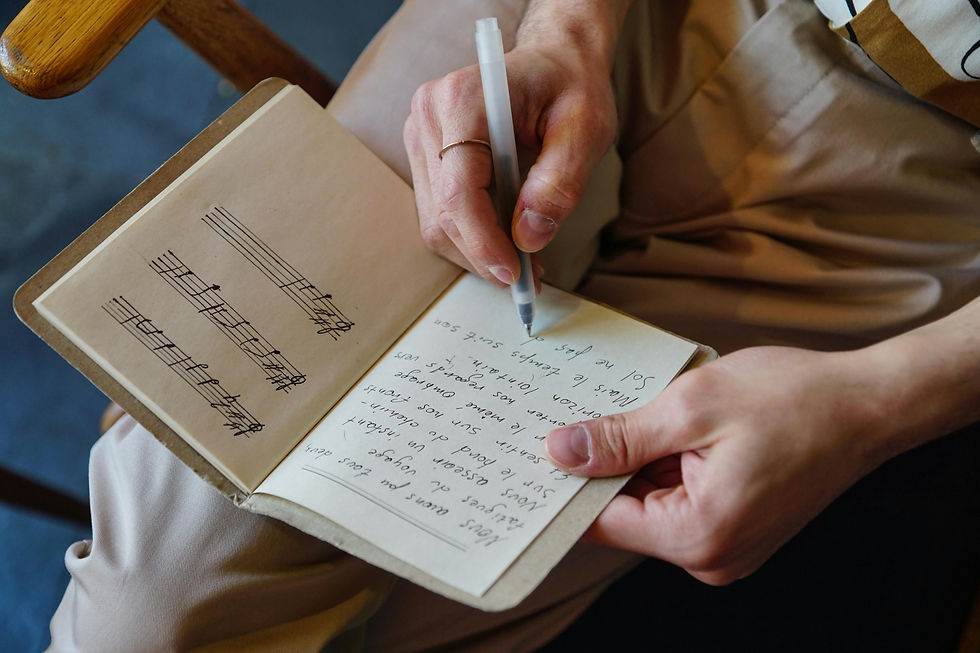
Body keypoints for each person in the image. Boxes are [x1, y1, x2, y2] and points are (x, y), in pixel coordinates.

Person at [48, 1, 980, 651]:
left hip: (929, 182)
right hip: (605, 25)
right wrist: (565, 29)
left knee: (419, 605)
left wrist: (874, 404)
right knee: (148, 617)